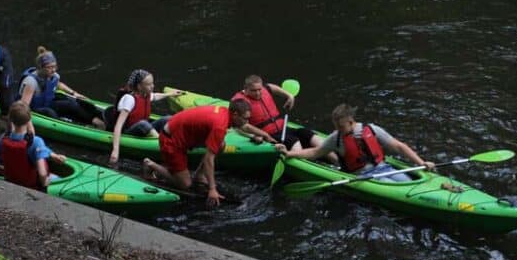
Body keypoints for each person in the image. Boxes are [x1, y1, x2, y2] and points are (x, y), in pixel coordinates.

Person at [275, 104, 434, 182]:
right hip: (363, 177)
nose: (337, 129)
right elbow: (314, 152)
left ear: (351, 122)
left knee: (407, 181)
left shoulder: (371, 129)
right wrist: (290, 153)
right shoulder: (335, 138)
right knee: (389, 183)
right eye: (335, 126)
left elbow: (399, 146)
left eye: (341, 126)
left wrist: (421, 162)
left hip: (384, 167)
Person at [142, 100, 252, 206]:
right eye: (245, 119)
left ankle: (199, 175)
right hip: (171, 140)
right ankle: (150, 165)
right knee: (185, 184)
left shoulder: (225, 112)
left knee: (220, 145)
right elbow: (209, 159)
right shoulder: (220, 126)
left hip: (183, 134)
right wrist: (212, 189)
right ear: (235, 114)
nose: (247, 122)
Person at [232, 74, 328, 155]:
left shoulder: (265, 89)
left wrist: (289, 95)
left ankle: (337, 162)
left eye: (259, 89)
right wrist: (253, 136)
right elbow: (238, 127)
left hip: (283, 128)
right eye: (254, 90)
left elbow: (272, 87)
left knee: (310, 135)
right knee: (295, 142)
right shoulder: (240, 102)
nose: (258, 93)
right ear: (246, 88)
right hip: (270, 135)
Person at [17, 46, 105, 129]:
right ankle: (69, 126)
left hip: (47, 103)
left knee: (71, 104)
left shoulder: (52, 75)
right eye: (49, 67)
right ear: (41, 67)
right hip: (34, 109)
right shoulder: (31, 82)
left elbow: (58, 84)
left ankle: (94, 121)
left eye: (55, 66)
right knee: (50, 113)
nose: (53, 70)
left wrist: (74, 93)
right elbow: (24, 107)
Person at [0, 101, 65, 190]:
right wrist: (45, 182)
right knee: (58, 178)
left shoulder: (4, 138)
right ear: (29, 119)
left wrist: (4, 172)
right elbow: (42, 173)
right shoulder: (36, 141)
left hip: (11, 180)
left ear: (10, 119)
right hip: (31, 185)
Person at [107, 69, 183, 165]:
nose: (152, 86)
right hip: (129, 131)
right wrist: (115, 150)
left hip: (144, 127)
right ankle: (165, 146)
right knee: (144, 124)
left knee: (168, 118)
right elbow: (118, 125)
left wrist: (171, 94)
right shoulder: (129, 99)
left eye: (152, 83)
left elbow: (155, 96)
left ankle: (179, 138)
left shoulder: (145, 94)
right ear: (139, 86)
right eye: (149, 84)